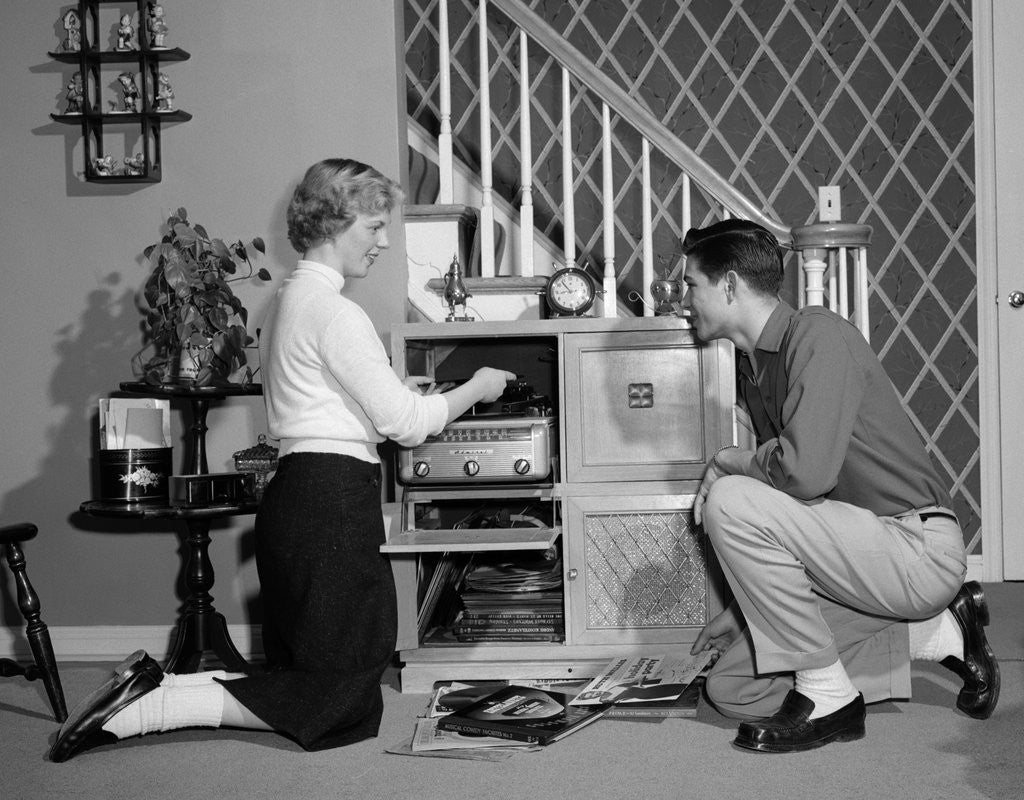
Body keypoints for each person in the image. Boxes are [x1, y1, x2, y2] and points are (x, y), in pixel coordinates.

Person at [50, 158, 517, 762]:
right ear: (336, 221)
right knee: (337, 694)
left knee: (334, 677)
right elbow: (405, 426)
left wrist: (399, 391)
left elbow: (320, 398)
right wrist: (476, 387)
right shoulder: (336, 312)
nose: (383, 241)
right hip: (331, 499)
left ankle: (156, 689)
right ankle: (151, 706)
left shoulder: (290, 301)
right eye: (375, 226)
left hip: (302, 491)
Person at [682, 219, 999, 753]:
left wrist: (728, 461)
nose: (685, 301)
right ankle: (941, 634)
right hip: (855, 560)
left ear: (730, 285)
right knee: (732, 687)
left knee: (730, 499)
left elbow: (805, 474)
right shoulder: (756, 370)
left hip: (915, 548)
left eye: (692, 285)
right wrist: (744, 614)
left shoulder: (817, 335)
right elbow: (793, 514)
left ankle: (828, 696)